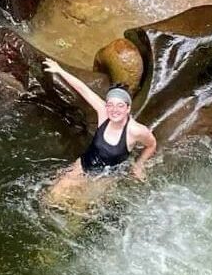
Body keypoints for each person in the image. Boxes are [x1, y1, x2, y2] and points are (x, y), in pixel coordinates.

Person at [42, 58, 157, 206]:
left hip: (104, 178)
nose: (114, 110)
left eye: (120, 106)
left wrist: (139, 165)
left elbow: (152, 144)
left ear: (128, 108)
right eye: (110, 105)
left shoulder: (136, 131)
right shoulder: (103, 113)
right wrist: (60, 70)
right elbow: (83, 89)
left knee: (78, 210)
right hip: (84, 165)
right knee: (51, 198)